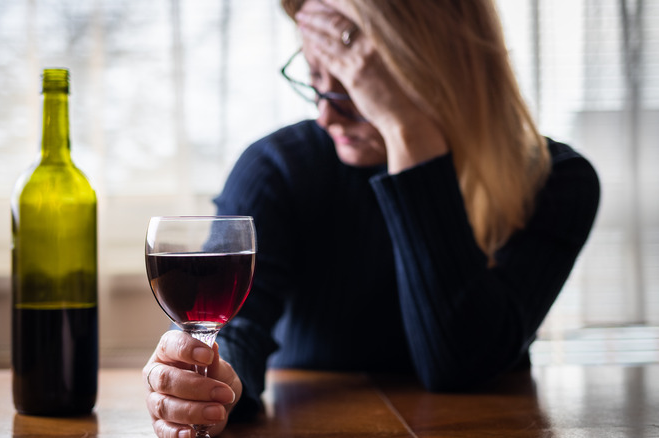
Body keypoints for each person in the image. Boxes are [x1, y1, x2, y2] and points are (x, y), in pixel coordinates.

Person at [142, 0, 600, 436]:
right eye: (316, 81)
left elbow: (459, 364)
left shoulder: (557, 182)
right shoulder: (279, 167)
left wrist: (409, 132)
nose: (326, 115)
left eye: (350, 86)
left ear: (438, 66)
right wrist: (208, 385)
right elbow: (236, 327)